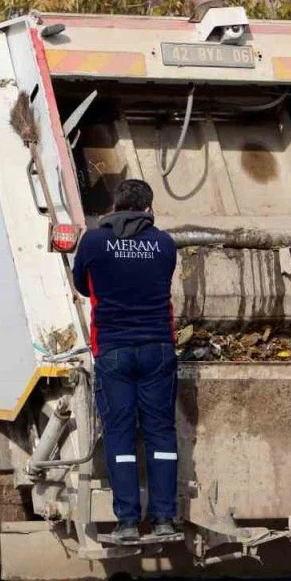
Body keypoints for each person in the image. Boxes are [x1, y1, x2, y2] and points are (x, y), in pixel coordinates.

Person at [71, 178, 180, 545]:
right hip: (157, 350)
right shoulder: (164, 244)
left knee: (119, 433)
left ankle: (128, 523)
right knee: (160, 433)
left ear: (115, 206)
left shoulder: (94, 241)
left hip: (114, 350)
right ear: (148, 209)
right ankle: (164, 519)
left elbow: (82, 285)